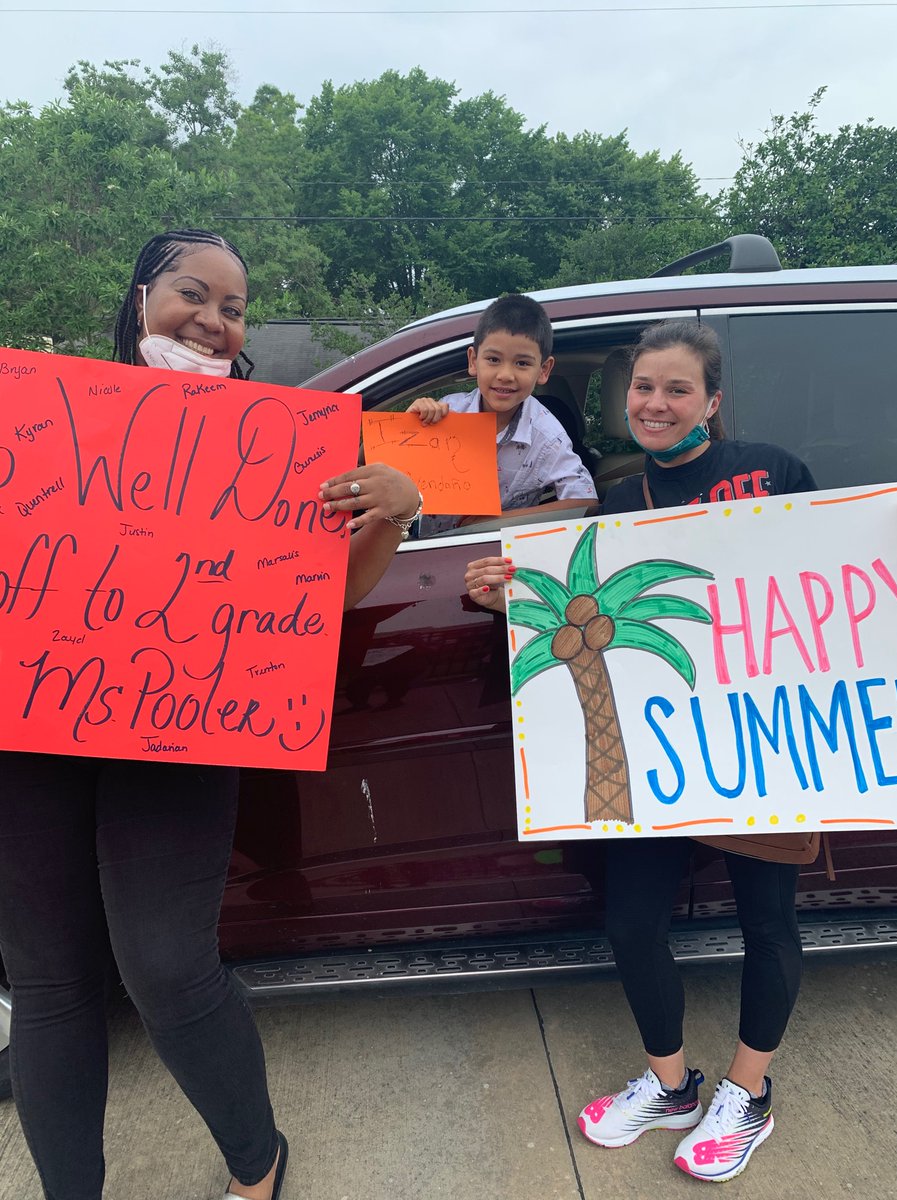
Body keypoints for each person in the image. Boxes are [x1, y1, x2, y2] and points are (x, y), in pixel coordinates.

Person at [0, 228, 421, 1200]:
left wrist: (395, 512)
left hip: (177, 729)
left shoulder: (272, 448)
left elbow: (330, 597)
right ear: (142, 295)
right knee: (50, 984)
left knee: (165, 968)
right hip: (33, 730)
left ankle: (257, 1159)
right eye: (195, 293)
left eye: (234, 309)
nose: (214, 319)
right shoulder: (46, 415)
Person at [464, 319, 817, 1183]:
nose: (656, 404)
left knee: (767, 921)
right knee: (630, 923)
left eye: (677, 389)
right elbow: (592, 625)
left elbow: (824, 585)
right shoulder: (619, 501)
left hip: (758, 740)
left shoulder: (775, 471)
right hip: (661, 750)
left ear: (712, 401)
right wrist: (500, 601)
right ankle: (672, 1087)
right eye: (643, 389)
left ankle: (748, 1095)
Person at [406, 293, 597, 533]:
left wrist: (497, 521)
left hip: (503, 559)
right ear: (474, 361)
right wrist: (408, 425)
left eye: (522, 363)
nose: (506, 374)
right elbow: (369, 465)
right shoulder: (446, 413)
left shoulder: (547, 436)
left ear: (543, 370)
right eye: (494, 359)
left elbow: (586, 503)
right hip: (429, 550)